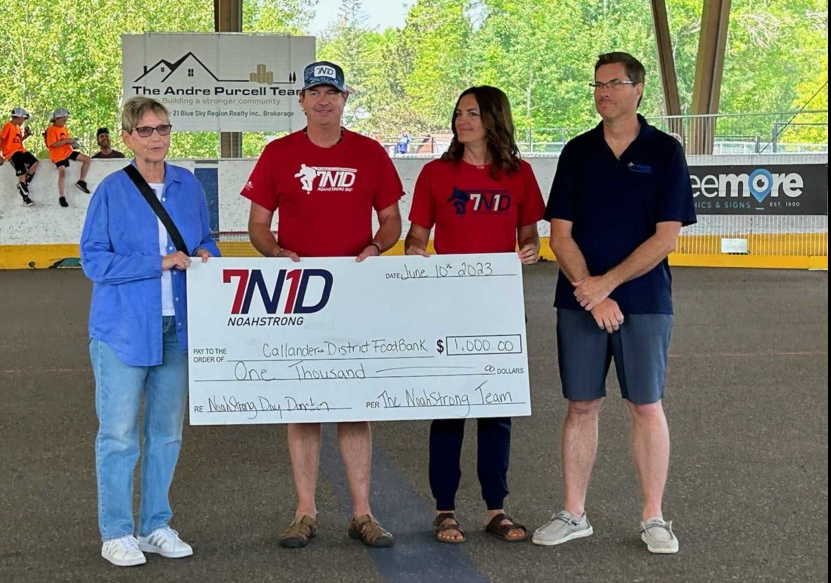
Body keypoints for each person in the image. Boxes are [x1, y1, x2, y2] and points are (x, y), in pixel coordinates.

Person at [532, 52, 696, 554]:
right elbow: (559, 234)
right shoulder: (577, 152)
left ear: (638, 89)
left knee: (646, 405)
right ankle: (574, 511)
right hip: (580, 299)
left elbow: (667, 237)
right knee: (581, 405)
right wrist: (589, 289)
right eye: (597, 85)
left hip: (644, 301)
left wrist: (607, 284)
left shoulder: (665, 151)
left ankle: (654, 517)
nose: (604, 92)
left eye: (614, 84)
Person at [241, 60, 403, 549]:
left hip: (355, 296)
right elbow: (257, 227)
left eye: (332, 92)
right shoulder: (278, 154)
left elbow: (392, 220)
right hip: (299, 298)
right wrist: (275, 253)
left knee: (354, 405)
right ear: (302, 100)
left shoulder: (370, 154)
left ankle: (362, 513)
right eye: (314, 92)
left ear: (345, 99)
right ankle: (304, 512)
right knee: (303, 404)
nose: (323, 100)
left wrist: (376, 247)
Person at [79, 96, 221, 567]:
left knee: (166, 433)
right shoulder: (111, 191)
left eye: (163, 128)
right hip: (122, 329)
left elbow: (204, 240)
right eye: (145, 131)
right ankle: (116, 531)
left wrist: (204, 256)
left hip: (177, 326)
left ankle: (155, 524)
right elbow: (94, 260)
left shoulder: (188, 187)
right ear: (126, 138)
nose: (156, 137)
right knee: (119, 435)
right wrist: (156, 263)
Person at [404, 86, 544, 544]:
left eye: (472, 113)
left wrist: (529, 250)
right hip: (447, 303)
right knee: (447, 409)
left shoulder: (519, 175)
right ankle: (444, 509)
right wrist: (417, 256)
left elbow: (530, 236)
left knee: (496, 410)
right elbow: (417, 236)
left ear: (494, 119)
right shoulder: (435, 174)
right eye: (458, 113)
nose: (462, 120)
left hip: (498, 303)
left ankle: (495, 507)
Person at [44, 107, 92, 207]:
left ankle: (81, 181)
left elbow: (66, 140)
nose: (64, 123)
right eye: (63, 121)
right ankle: (62, 196)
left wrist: (73, 143)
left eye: (65, 121)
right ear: (56, 119)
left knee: (87, 159)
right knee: (62, 173)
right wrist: (67, 141)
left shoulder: (64, 129)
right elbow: (53, 144)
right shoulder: (51, 130)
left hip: (68, 152)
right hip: (58, 155)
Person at [0, 107, 39, 206]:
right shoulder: (8, 126)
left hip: (21, 150)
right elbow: (0, 140)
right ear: (18, 118)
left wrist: (25, 136)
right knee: (22, 172)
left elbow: (17, 141)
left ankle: (24, 184)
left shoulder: (17, 128)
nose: (23, 121)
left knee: (35, 163)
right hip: (12, 153)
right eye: (23, 119)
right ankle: (25, 198)